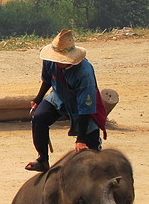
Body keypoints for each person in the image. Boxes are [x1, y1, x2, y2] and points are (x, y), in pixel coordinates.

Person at [25, 29, 106, 172]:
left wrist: (81, 139)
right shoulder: (50, 61)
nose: (58, 62)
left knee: (91, 154)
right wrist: (38, 99)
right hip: (59, 96)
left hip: (82, 105)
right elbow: (47, 80)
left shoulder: (84, 73)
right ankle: (42, 159)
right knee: (39, 118)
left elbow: (86, 108)